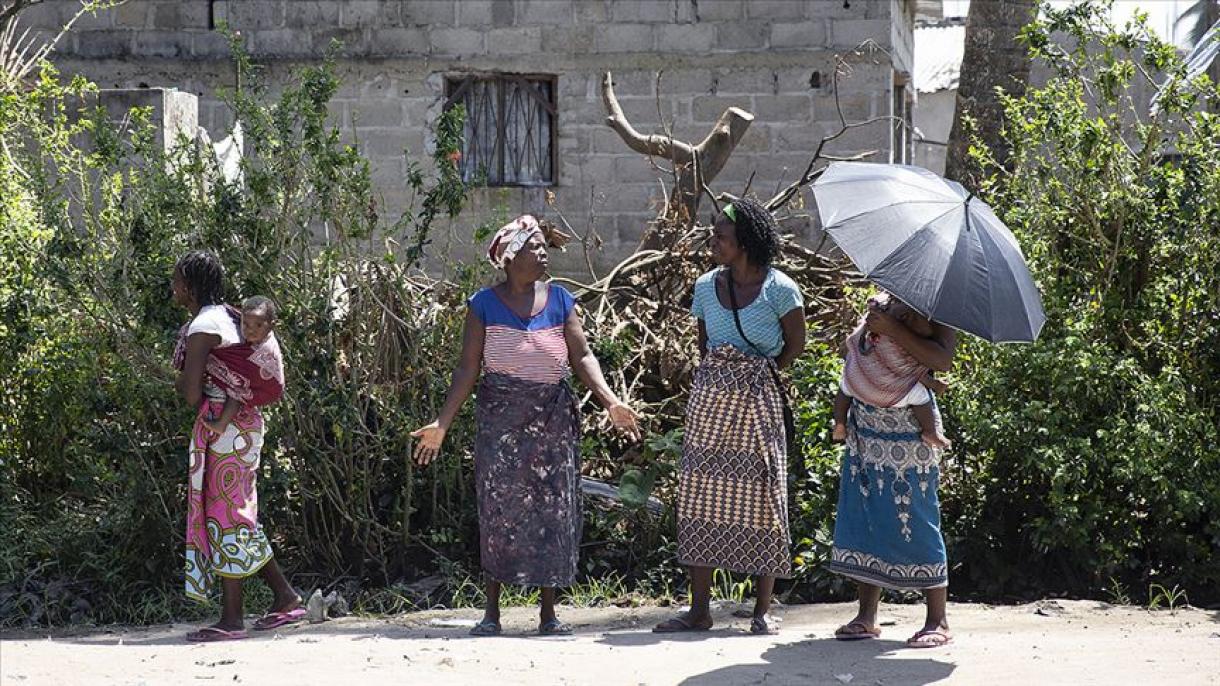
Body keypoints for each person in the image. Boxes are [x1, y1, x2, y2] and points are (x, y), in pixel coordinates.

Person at [411, 215, 641, 637]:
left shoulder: (560, 299)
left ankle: (549, 614)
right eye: (534, 247)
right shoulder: (483, 304)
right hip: (501, 424)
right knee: (499, 511)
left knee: (553, 511)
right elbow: (467, 369)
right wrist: (441, 424)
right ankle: (492, 613)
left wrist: (610, 401)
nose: (543, 253)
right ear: (511, 257)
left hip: (552, 422)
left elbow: (582, 356)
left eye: (543, 246)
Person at [654, 197, 806, 635]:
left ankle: (762, 610)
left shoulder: (781, 290)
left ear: (746, 242)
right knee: (701, 497)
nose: (713, 241)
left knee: (762, 497)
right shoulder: (705, 287)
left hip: (759, 401)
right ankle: (699, 611)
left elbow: (795, 346)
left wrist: (757, 374)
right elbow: (704, 344)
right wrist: (725, 380)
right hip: (711, 403)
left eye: (721, 236)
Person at [171, 251, 300, 642]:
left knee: (227, 515)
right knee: (235, 513)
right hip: (243, 426)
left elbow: (192, 393)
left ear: (190, 286)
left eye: (176, 280)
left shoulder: (204, 325)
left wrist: (184, 381)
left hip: (223, 428)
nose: (172, 287)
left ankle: (232, 620)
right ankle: (285, 597)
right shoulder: (228, 317)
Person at [826, 290, 958, 649]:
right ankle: (866, 616)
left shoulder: (939, 306)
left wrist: (895, 331)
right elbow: (855, 350)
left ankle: (937, 619)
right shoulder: (884, 299)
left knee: (917, 515)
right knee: (868, 512)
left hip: (911, 433)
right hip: (866, 425)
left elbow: (942, 359)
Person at [832, 292, 950, 449]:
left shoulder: (879, 313)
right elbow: (915, 372)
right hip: (892, 395)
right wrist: (934, 384)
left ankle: (839, 423)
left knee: (845, 387)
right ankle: (930, 432)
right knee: (920, 397)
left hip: (858, 384)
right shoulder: (902, 342)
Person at [202, 295, 282, 437]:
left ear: (271, 325)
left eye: (258, 325)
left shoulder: (264, 349)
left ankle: (221, 424)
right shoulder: (253, 335)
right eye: (246, 324)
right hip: (257, 385)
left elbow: (249, 367)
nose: (251, 330)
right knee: (237, 386)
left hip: (266, 388)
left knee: (237, 390)